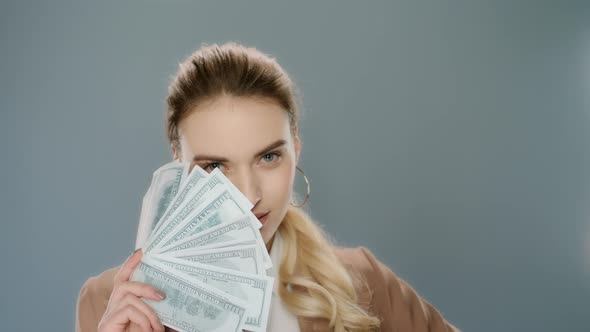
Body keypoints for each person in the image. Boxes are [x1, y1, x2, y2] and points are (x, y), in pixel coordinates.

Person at [76, 42, 460, 332]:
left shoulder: (363, 284)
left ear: (295, 147)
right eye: (213, 166)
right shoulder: (106, 304)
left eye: (268, 157)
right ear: (178, 164)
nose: (248, 196)